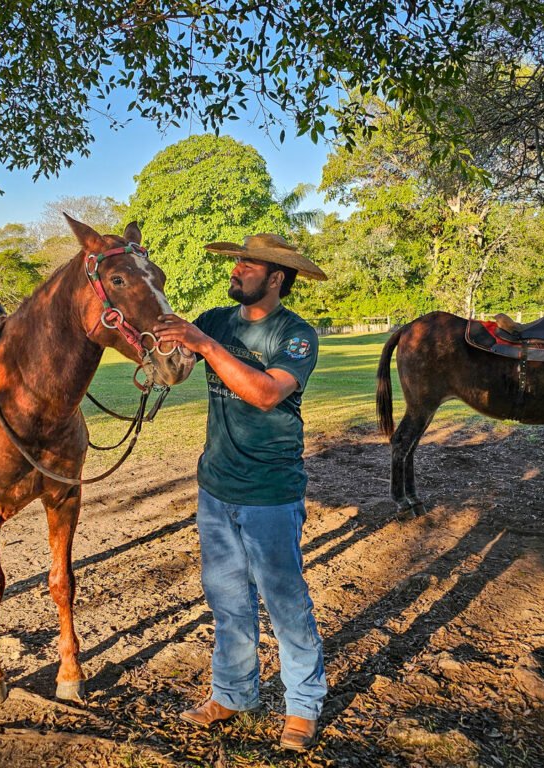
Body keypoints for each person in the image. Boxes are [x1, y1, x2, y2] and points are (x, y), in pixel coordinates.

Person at [153, 233, 328, 752]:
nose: (235, 270)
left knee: (284, 602)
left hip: (270, 491)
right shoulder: (215, 319)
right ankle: (233, 694)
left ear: (275, 278)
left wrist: (205, 346)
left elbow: (266, 393)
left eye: (247, 265)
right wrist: (163, 346)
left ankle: (303, 706)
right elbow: (176, 369)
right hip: (216, 486)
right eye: (237, 262)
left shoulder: (296, 334)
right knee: (228, 601)